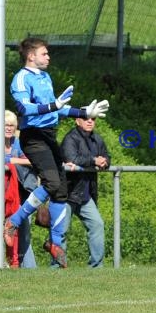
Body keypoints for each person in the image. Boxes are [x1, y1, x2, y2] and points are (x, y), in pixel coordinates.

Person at [4, 37, 109, 268]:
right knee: (52, 183)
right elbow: (24, 108)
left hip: (49, 136)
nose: (48, 57)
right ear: (31, 56)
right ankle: (14, 221)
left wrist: (83, 111)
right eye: (44, 53)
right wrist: (54, 106)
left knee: (61, 191)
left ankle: (54, 243)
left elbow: (57, 110)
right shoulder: (21, 78)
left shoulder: (45, 77)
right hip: (34, 137)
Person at [0, 109, 38, 268]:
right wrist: (18, 160)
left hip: (22, 191)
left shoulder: (19, 142)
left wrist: (11, 161)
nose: (9, 128)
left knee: (23, 229)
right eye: (5, 125)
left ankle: (27, 267)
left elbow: (32, 159)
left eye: (12, 125)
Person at [60, 115, 110, 268]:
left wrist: (105, 162)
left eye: (93, 119)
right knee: (60, 231)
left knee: (97, 225)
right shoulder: (70, 138)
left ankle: (96, 267)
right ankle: (57, 267)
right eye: (86, 118)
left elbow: (107, 157)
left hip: (85, 194)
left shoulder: (97, 139)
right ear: (77, 121)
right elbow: (71, 158)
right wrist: (94, 160)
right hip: (67, 193)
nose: (90, 121)